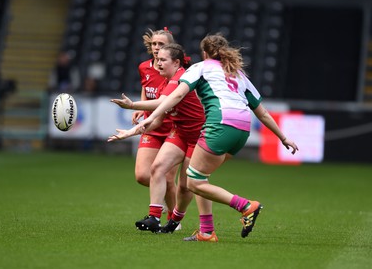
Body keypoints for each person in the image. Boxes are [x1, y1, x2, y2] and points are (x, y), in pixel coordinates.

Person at [109, 33, 299, 242]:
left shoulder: (199, 68)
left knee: (194, 181)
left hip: (218, 126)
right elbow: (261, 112)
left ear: (204, 53)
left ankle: (245, 206)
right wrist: (283, 138)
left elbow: (176, 96)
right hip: (241, 131)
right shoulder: (238, 74)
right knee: (197, 177)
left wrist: (138, 109)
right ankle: (205, 231)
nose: (159, 61)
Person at [110, 43, 205, 233]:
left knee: (186, 186)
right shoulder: (165, 82)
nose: (158, 63)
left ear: (177, 62)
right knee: (157, 168)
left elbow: (161, 103)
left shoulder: (180, 78)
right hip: (179, 133)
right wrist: (131, 133)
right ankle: (154, 217)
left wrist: (132, 106)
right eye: (157, 59)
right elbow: (157, 120)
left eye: (163, 60)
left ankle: (174, 220)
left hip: (198, 136)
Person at [127, 28, 179, 223]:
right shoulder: (144, 67)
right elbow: (145, 86)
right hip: (153, 127)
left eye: (161, 44)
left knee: (167, 178)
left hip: (173, 129)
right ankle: (162, 195)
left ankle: (173, 219)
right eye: (154, 44)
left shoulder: (176, 68)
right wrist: (141, 106)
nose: (157, 48)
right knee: (142, 175)